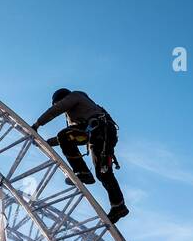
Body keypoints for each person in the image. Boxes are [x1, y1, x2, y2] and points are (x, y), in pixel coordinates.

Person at [31, 88, 129, 223]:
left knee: (64, 135)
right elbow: (72, 136)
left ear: (61, 99)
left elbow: (56, 111)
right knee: (103, 173)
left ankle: (83, 173)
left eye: (58, 104)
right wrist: (47, 143)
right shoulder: (85, 111)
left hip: (99, 132)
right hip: (100, 136)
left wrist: (37, 124)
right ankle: (119, 206)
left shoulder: (74, 96)